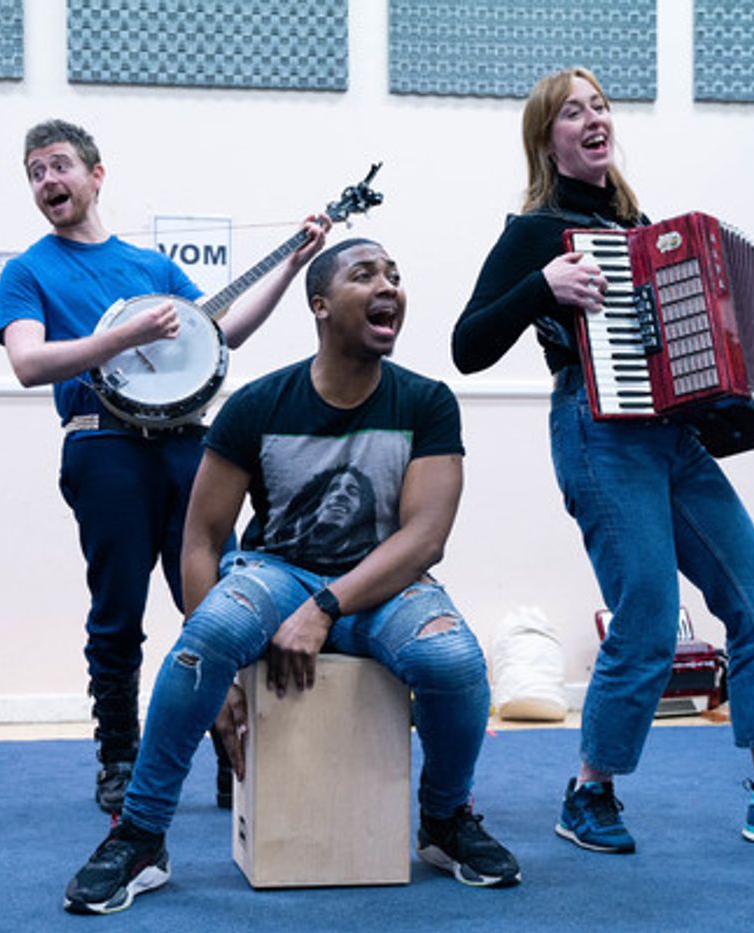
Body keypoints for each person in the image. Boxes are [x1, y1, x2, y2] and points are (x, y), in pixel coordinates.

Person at [451, 66, 754, 855]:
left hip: (670, 434)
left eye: (601, 106)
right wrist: (541, 288)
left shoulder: (640, 227)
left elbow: (701, 340)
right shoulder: (533, 234)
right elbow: (467, 346)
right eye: (573, 111)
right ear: (548, 139)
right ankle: (589, 789)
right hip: (596, 428)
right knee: (645, 613)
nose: (593, 118)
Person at [63, 238, 519, 914]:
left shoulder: (427, 402)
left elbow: (425, 538)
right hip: (275, 571)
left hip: (382, 584)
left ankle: (445, 818)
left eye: (396, 274)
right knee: (208, 632)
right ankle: (141, 834)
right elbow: (202, 538)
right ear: (321, 304)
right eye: (365, 274)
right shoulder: (257, 404)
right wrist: (214, 680)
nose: (388, 284)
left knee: (454, 661)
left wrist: (328, 606)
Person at [0, 119, 328, 813]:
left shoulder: (152, 269)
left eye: (59, 166)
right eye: (34, 173)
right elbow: (27, 362)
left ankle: (232, 749)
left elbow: (221, 331)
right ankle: (119, 756)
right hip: (102, 445)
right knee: (117, 613)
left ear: (95, 174)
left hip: (185, 444)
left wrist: (292, 264)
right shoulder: (28, 271)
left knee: (219, 606)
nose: (47, 181)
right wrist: (123, 336)